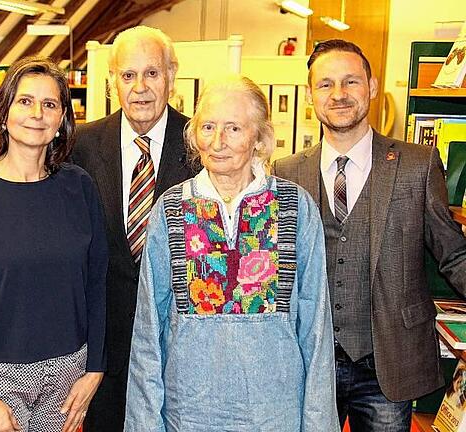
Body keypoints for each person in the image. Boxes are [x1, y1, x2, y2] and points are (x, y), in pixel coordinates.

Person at [272, 39, 466, 431]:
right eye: (325, 84)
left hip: (386, 366)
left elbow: (452, 254)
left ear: (373, 87)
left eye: (351, 82)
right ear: (311, 96)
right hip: (309, 362)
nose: (339, 94)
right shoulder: (286, 172)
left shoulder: (417, 165)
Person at [125, 75, 339, 431]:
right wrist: (146, 423)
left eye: (234, 128)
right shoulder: (172, 209)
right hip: (188, 413)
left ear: (259, 139)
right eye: (207, 127)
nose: (218, 142)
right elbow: (148, 331)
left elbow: (316, 328)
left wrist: (317, 424)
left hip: (275, 413)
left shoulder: (295, 206)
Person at [0, 56, 107, 432]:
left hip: (67, 374)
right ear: (3, 113)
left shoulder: (80, 187)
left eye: (50, 105)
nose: (37, 114)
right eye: (25, 101)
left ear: (61, 120)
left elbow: (97, 283)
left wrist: (95, 368)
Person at [71, 25, 196, 432]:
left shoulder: (202, 144)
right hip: (99, 355)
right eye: (128, 75)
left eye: (152, 74)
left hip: (178, 351)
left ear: (172, 77)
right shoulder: (81, 146)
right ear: (112, 83)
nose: (140, 87)